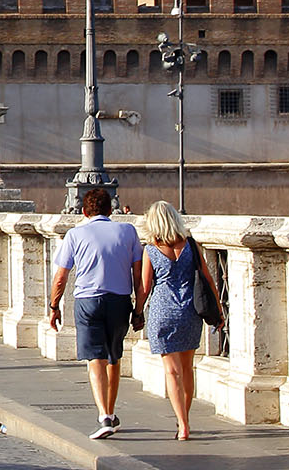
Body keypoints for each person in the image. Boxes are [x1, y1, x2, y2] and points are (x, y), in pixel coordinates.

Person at [48, 186, 144, 439]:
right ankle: (111, 413)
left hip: (87, 301)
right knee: (114, 356)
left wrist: (54, 306)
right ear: (111, 210)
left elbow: (61, 277)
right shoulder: (128, 231)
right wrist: (140, 308)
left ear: (83, 211)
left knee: (95, 359)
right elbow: (139, 275)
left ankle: (104, 416)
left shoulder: (75, 234)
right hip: (119, 300)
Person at [136, 200, 222, 440]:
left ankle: (182, 425)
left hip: (163, 313)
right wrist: (219, 311)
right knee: (187, 368)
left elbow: (144, 287)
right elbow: (208, 279)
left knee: (171, 372)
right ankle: (185, 419)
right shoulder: (191, 246)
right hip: (189, 312)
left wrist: (138, 310)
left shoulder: (151, 249)